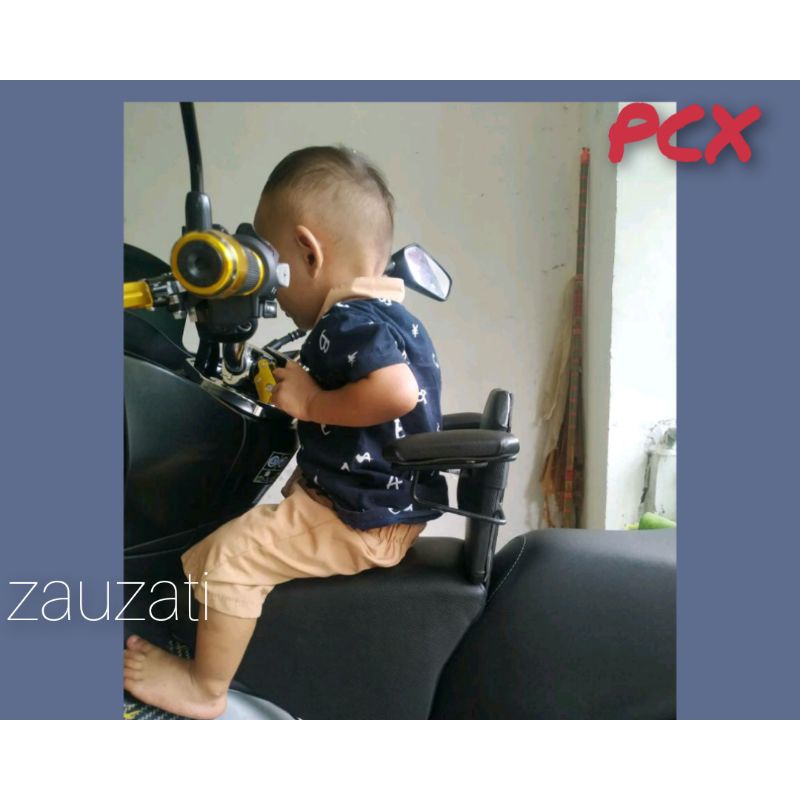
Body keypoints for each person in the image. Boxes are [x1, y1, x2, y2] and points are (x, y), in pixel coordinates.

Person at [123, 145, 448, 719]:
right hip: (384, 506)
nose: (269, 288)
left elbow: (395, 393)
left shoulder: (345, 320)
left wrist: (310, 400)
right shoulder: (395, 318)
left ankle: (205, 689)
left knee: (226, 557)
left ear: (308, 253)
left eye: (271, 266)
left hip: (359, 519)